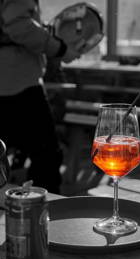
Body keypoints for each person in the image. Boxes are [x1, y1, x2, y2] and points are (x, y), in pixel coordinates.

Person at [0, 0, 84, 193]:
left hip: (9, 82)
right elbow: (19, 26)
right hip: (17, 83)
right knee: (47, 158)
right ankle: (42, 215)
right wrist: (60, 49)